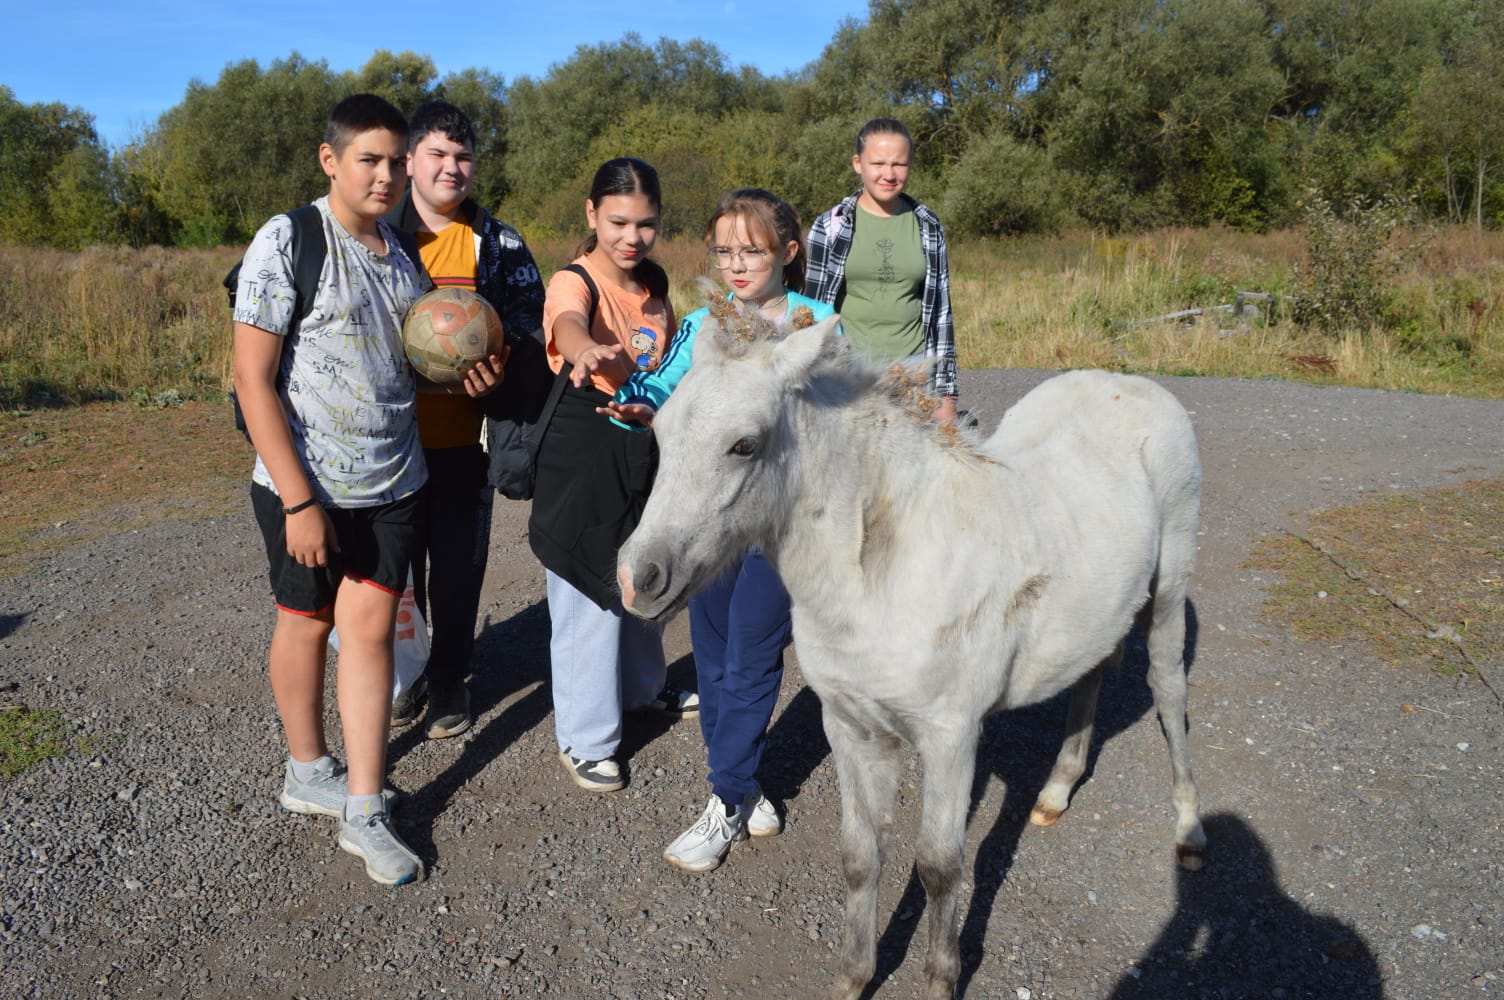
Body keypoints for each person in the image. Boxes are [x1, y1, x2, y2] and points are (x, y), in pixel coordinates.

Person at [601, 188, 835, 871]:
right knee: (712, 650)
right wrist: (635, 401)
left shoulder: (817, 327)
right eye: (724, 250)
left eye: (753, 251)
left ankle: (726, 798)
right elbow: (666, 380)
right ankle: (743, 776)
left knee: (753, 657)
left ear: (788, 253)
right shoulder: (707, 323)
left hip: (775, 527)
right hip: (707, 522)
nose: (736, 264)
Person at [232, 94, 430, 886]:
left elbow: (414, 358)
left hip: (395, 481)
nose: (385, 176)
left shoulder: (401, 252)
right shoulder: (290, 238)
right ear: (331, 160)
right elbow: (251, 379)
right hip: (305, 486)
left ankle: (364, 805)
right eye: (368, 160)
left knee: (372, 633)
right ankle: (306, 767)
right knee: (306, 623)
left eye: (395, 161)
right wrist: (298, 501)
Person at [527, 157, 697, 794]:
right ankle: (586, 738)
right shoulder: (574, 280)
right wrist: (585, 350)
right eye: (619, 222)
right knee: (585, 588)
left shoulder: (653, 287)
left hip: (641, 442)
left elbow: (671, 359)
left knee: (641, 572)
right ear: (592, 215)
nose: (632, 236)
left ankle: (644, 691)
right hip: (582, 448)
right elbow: (565, 323)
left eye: (645, 224)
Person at [384, 100, 545, 740]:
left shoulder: (499, 241)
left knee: (457, 567)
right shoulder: (374, 233)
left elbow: (533, 326)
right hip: (388, 447)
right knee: (392, 572)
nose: (453, 167)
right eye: (438, 155)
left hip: (464, 443)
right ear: (410, 161)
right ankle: (406, 674)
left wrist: (504, 369)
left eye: (463, 156)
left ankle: (452, 680)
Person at [805, 117, 959, 423]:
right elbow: (811, 309)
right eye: (878, 163)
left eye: (899, 164)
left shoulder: (928, 224)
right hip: (849, 373)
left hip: (914, 370)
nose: (889, 174)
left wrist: (946, 395)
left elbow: (941, 313)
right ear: (858, 163)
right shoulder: (830, 226)